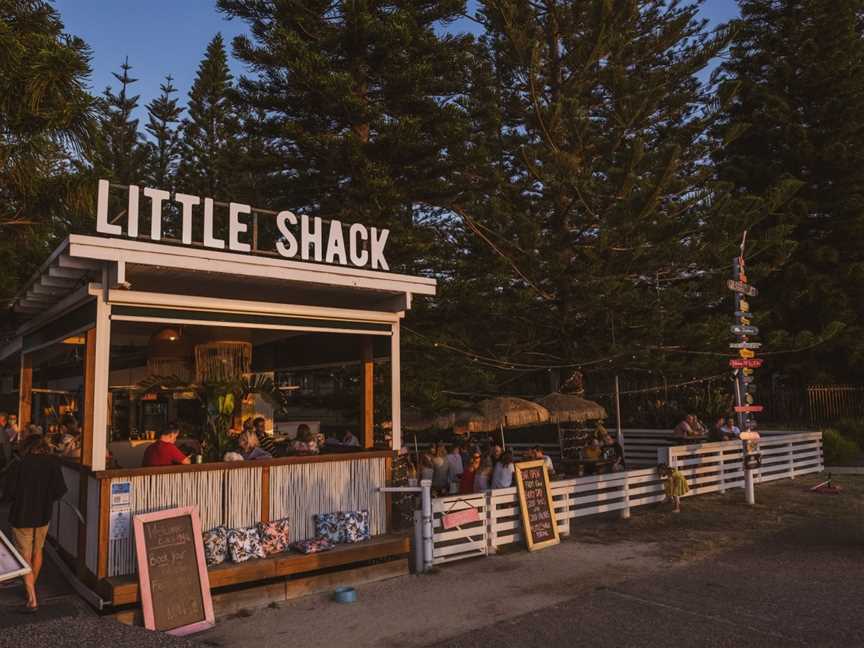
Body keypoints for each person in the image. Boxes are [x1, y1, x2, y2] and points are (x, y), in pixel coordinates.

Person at [3, 434, 67, 612]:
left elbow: (8, 494)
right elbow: (60, 491)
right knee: (37, 551)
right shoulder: (52, 463)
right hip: (43, 515)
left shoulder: (19, 464)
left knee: (24, 555)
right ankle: (30, 588)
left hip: (21, 516)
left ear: (27, 446)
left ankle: (32, 597)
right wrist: (45, 499)